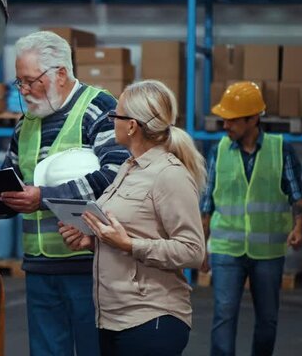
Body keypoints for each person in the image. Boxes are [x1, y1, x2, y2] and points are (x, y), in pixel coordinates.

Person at [0, 30, 130, 356]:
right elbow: (11, 178)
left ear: (60, 73)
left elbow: (115, 175)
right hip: (39, 267)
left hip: (88, 264)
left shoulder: (99, 107)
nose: (25, 91)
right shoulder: (26, 122)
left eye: (31, 81)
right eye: (20, 83)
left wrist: (41, 197)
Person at [59, 80, 206, 356]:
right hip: (113, 318)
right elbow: (132, 230)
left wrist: (130, 245)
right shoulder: (128, 168)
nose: (111, 120)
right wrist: (93, 241)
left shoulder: (169, 175)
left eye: (115, 115)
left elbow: (193, 251)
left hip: (152, 319)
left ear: (132, 126)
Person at [200, 81, 302, 356]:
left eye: (233, 121)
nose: (225, 126)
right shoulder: (219, 151)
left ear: (253, 119)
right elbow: (207, 203)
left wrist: (298, 228)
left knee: (268, 319)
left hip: (267, 251)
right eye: (224, 120)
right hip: (226, 250)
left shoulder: (280, 149)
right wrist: (202, 247)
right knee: (224, 316)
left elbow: (297, 194)